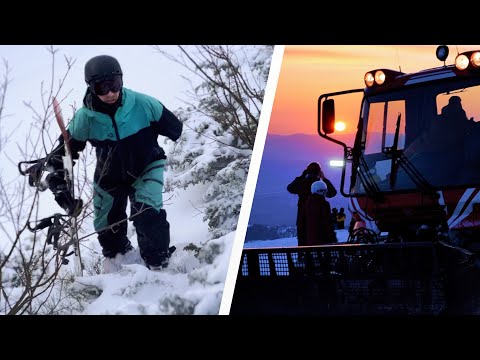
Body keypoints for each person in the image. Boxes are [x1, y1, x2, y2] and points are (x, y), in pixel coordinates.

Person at [26, 55, 183, 273]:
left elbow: (176, 128)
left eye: (114, 84)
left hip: (146, 167)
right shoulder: (84, 118)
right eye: (101, 87)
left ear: (121, 80)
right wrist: (57, 179)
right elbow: (63, 153)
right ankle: (120, 260)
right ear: (90, 87)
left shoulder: (144, 104)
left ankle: (159, 266)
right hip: (109, 175)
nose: (109, 92)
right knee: (107, 228)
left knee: (147, 214)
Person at [287, 161, 336, 246]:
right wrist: (324, 178)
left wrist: (301, 177)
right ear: (319, 172)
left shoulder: (302, 184)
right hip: (319, 220)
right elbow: (332, 193)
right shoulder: (320, 186)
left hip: (302, 219)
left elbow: (290, 188)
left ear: (307, 171)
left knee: (303, 243)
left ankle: (303, 258)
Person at [305, 180, 337, 245]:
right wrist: (331, 237)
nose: (325, 192)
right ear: (321, 191)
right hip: (323, 239)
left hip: (311, 239)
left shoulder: (308, 203)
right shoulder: (324, 204)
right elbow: (327, 222)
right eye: (324, 190)